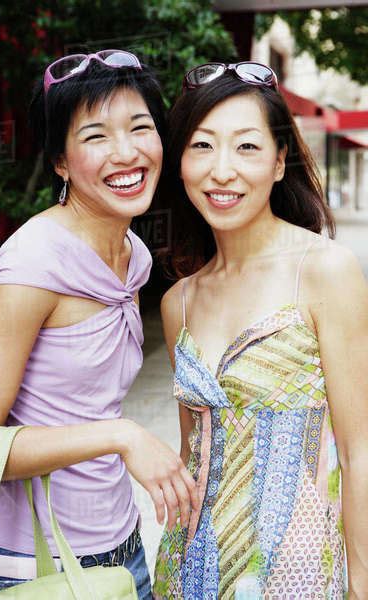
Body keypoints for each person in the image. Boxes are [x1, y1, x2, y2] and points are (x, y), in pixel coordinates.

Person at [0, 49, 197, 598]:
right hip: (33, 564)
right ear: (60, 161)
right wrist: (120, 436)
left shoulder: (133, 255)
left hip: (122, 547)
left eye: (140, 127)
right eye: (95, 136)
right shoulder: (32, 267)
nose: (126, 152)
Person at [153, 61, 368, 599]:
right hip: (189, 566)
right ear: (179, 162)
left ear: (278, 162)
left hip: (298, 573)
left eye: (246, 147)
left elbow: (359, 448)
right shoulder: (179, 300)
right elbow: (190, 452)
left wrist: (362, 580)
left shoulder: (323, 270)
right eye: (201, 146)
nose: (221, 170)